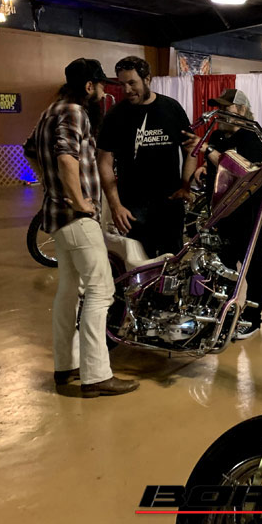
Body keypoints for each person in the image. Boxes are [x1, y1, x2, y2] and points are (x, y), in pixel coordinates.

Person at [26, 58, 138, 397]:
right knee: (101, 291)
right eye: (102, 85)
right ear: (89, 86)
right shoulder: (75, 112)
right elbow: (65, 157)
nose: (105, 93)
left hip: (57, 218)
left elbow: (29, 150)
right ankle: (96, 375)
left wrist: (50, 186)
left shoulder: (50, 111)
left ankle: (66, 365)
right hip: (76, 218)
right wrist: (78, 200)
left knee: (68, 290)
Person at [97, 56, 197, 258]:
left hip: (169, 204)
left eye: (132, 83)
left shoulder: (171, 108)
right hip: (132, 208)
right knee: (139, 266)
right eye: (122, 84)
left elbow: (191, 149)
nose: (127, 90)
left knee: (172, 263)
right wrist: (115, 206)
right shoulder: (115, 116)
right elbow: (104, 163)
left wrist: (185, 185)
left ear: (147, 79)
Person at [193, 89, 262, 339]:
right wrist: (204, 169)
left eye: (226, 108)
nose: (221, 113)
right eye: (220, 108)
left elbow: (238, 170)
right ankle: (223, 314)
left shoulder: (253, 137)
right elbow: (217, 163)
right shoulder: (218, 135)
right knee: (223, 267)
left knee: (253, 267)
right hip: (223, 215)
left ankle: (253, 319)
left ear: (242, 110)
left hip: (250, 217)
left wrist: (206, 151)